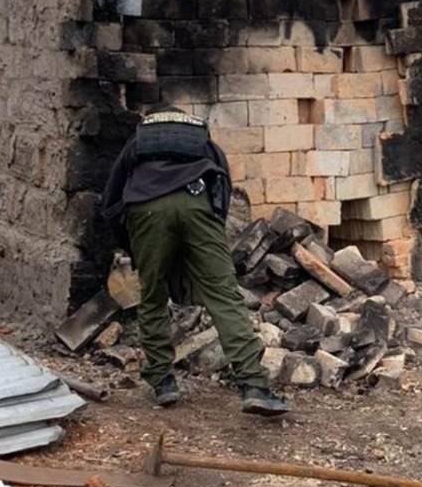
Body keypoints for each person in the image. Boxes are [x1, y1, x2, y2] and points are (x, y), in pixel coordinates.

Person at [100, 108, 288, 416]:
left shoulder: (138, 141)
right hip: (197, 204)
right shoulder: (201, 139)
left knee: (153, 295)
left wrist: (129, 241)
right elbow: (223, 183)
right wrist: (213, 224)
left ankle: (162, 382)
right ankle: (254, 386)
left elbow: (111, 197)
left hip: (146, 210)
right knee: (223, 294)